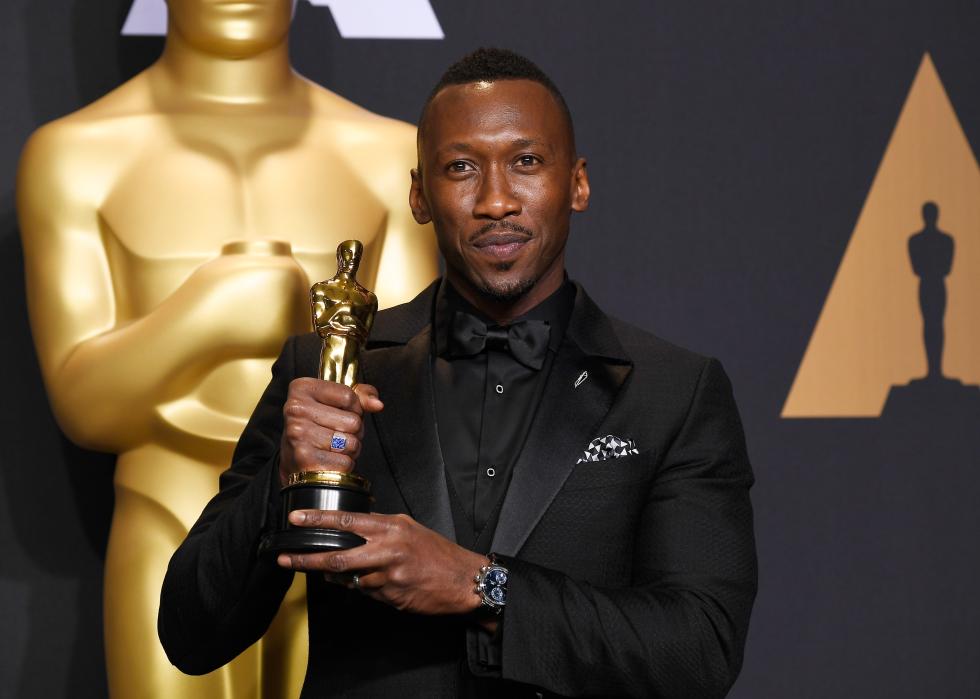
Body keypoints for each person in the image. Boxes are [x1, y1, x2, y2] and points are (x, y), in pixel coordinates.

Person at [159, 48, 757, 698]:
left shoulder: (672, 392)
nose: (496, 200)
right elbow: (190, 633)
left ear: (577, 183)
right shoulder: (329, 368)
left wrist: (481, 586)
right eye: (461, 168)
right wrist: (280, 482)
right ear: (419, 194)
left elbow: (701, 649)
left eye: (526, 162)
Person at [17, 1, 436, 696]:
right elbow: (83, 402)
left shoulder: (389, 156)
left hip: (340, 521)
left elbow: (410, 391)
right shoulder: (76, 156)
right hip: (168, 510)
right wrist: (208, 313)